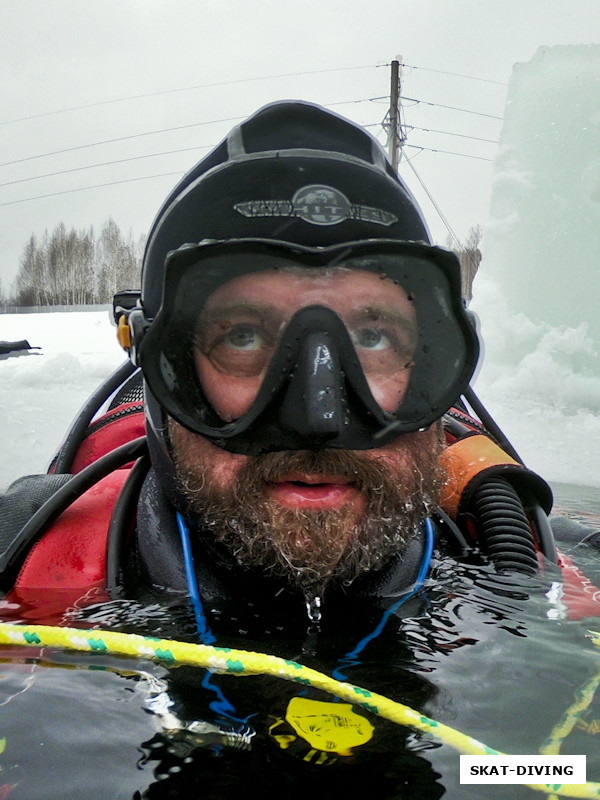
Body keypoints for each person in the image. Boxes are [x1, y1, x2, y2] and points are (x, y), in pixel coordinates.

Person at [0, 101, 599, 799]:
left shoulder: (537, 566)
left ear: (435, 368)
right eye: (244, 337)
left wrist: (522, 768)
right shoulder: (22, 563)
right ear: (164, 377)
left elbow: (546, 771)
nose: (318, 417)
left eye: (373, 337)